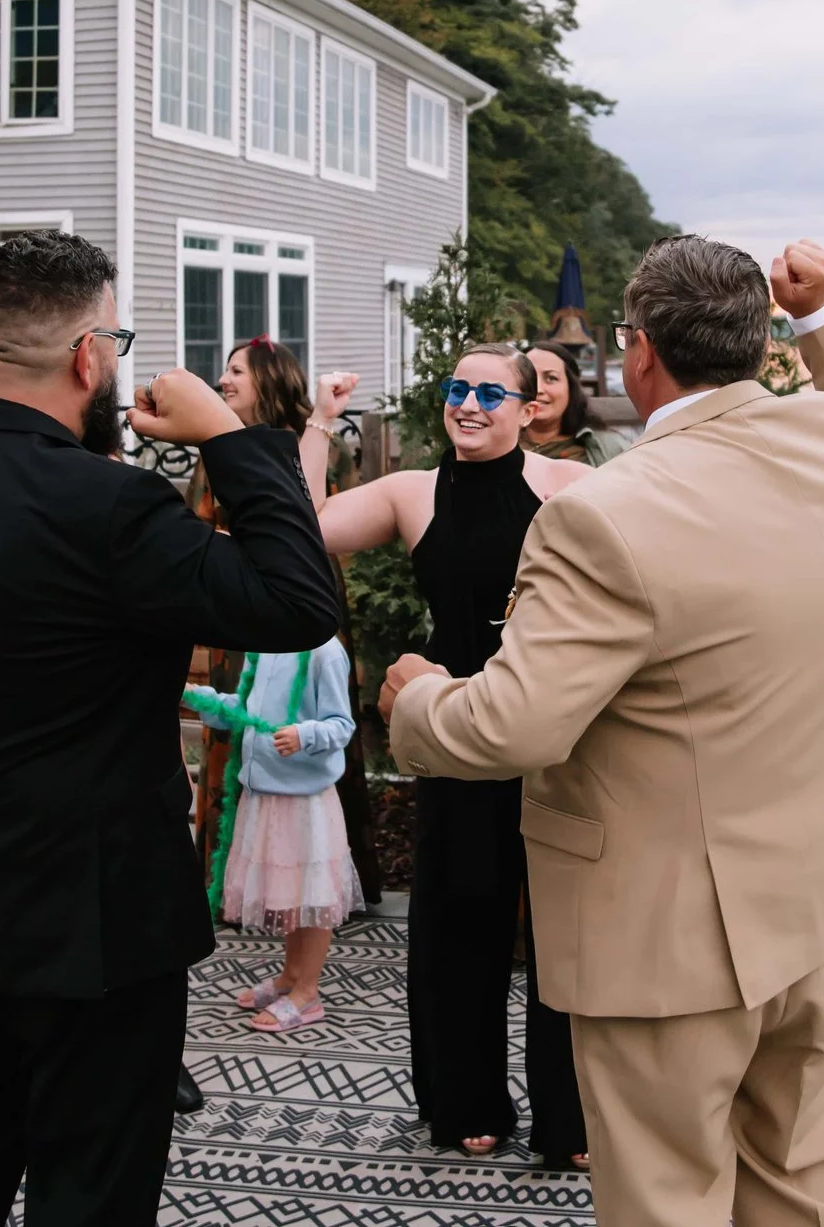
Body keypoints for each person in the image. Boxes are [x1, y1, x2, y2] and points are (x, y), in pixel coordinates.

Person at [382, 237, 824, 1227]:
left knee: (667, 1198)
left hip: (672, 932)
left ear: (637, 352)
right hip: (823, 892)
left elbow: (511, 724)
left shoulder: (605, 512)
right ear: (758, 344)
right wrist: (820, 314)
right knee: (804, 1171)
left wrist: (415, 695)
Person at [0, 230, 338, 1227]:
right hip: (99, 908)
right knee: (92, 1172)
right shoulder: (114, 505)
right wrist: (232, 438)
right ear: (89, 354)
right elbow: (296, 600)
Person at [303, 346, 594, 1166]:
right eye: (456, 390)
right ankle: (469, 1097)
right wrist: (322, 423)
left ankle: (571, 1115)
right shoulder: (411, 491)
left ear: (529, 406)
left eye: (488, 392)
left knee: (567, 929)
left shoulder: (568, 487)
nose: (468, 404)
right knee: (460, 917)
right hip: (457, 729)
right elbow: (306, 525)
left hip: (553, 735)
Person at [193, 338, 385, 904]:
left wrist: (322, 420)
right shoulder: (213, 447)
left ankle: (322, 891)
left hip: (302, 604)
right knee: (240, 724)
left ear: (270, 380)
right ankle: (232, 882)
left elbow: (308, 514)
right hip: (235, 606)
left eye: (235, 372)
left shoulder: (312, 444)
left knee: (310, 725)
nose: (224, 381)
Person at [190, 636, 364, 1033]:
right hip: (265, 793)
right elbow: (244, 710)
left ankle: (308, 991)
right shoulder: (264, 646)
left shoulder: (324, 652)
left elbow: (341, 725)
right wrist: (200, 698)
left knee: (313, 893)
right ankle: (289, 976)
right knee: (291, 892)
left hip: (305, 802)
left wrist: (304, 735)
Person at [522, 342, 625, 465]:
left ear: (570, 387)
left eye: (551, 378)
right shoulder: (498, 446)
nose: (538, 389)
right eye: (529, 379)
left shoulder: (610, 449)